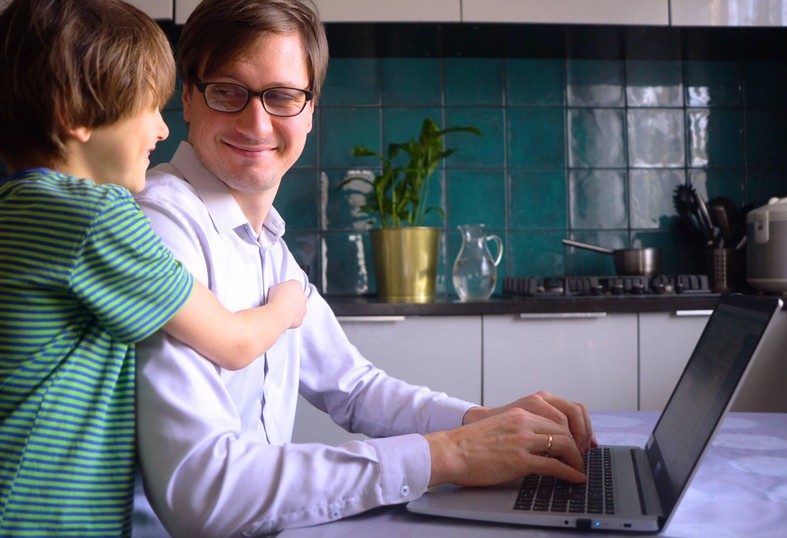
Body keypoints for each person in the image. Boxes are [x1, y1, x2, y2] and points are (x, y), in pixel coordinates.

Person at [135, 0, 596, 535]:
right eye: (227, 91)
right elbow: (203, 492)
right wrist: (444, 456)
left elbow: (353, 386)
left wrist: (483, 422)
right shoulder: (160, 224)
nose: (257, 121)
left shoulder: (268, 246)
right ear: (188, 98)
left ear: (310, 111)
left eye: (282, 96)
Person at [0, 0, 308, 535]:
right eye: (148, 107)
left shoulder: (18, 208)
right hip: (47, 517)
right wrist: (285, 307)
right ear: (76, 116)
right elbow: (231, 342)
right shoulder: (97, 217)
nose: (162, 131)